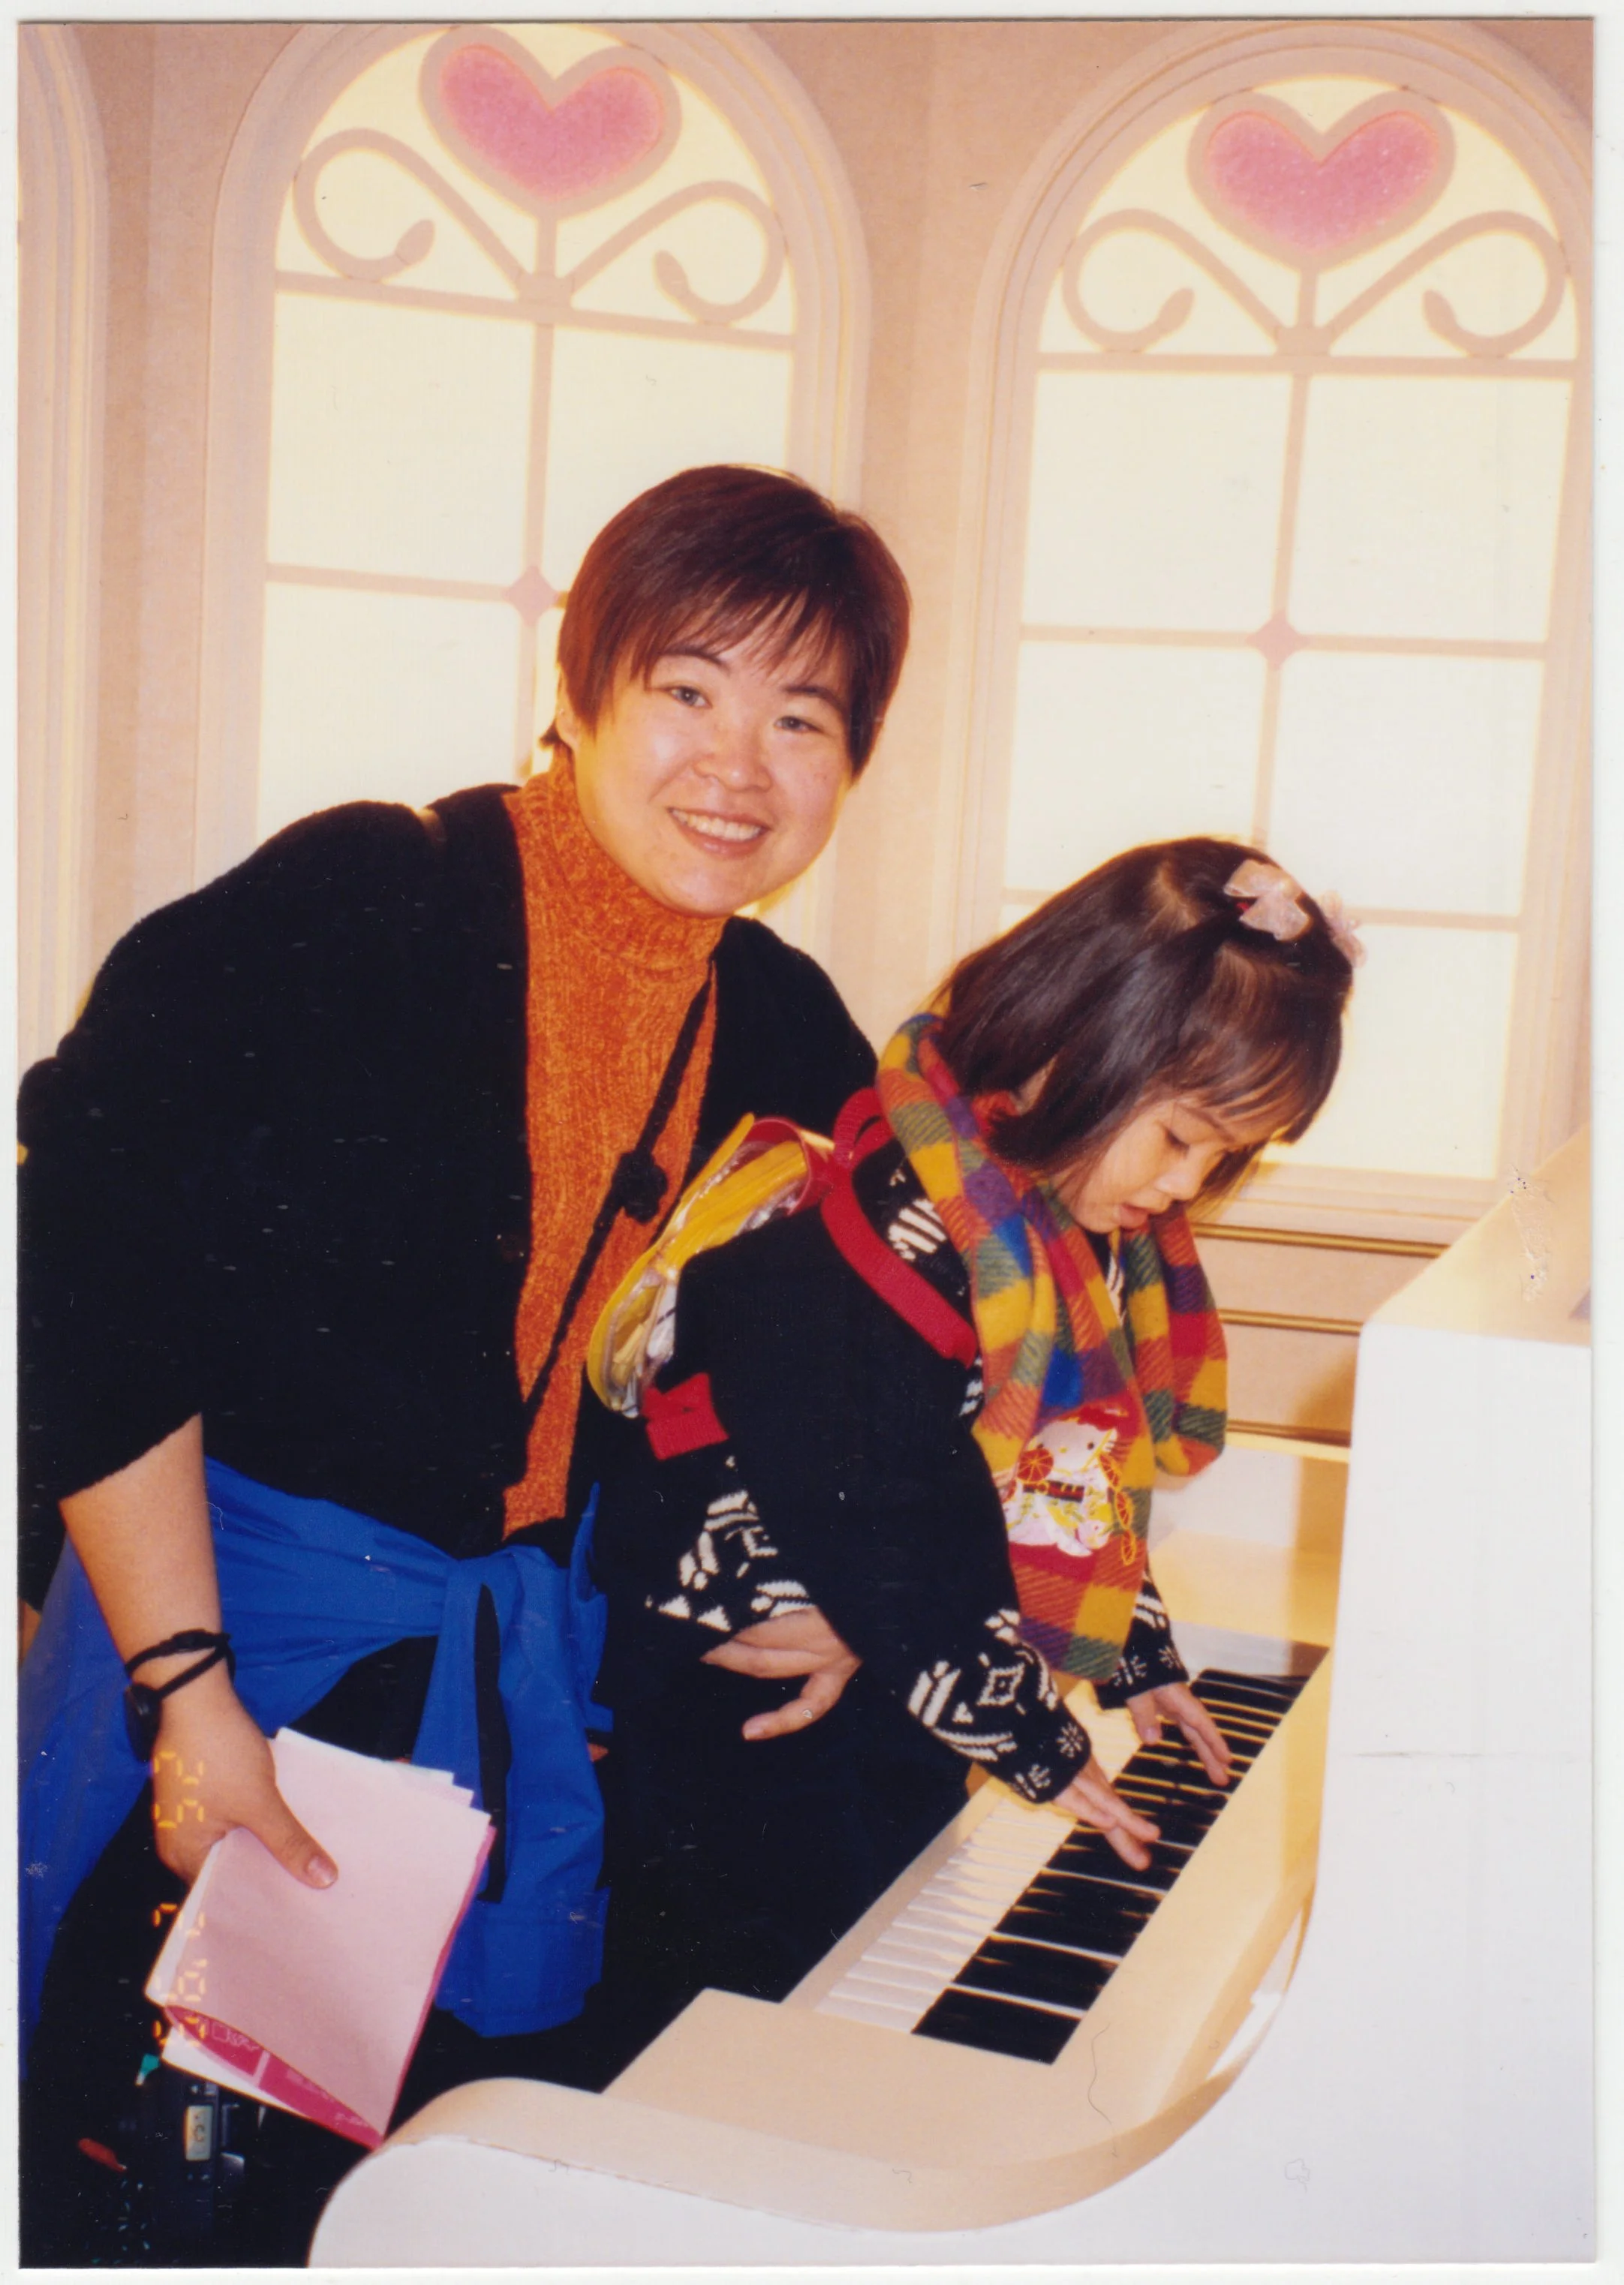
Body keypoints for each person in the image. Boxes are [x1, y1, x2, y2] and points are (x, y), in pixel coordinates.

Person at [17, 463, 910, 2263]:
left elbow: (852, 1373)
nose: (738, 763)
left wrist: (852, 1584)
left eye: (800, 715)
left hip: (506, 1696)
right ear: (575, 694)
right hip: (224, 1645)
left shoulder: (796, 1027)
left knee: (407, 2193)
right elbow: (82, 1260)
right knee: (143, 2181)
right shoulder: (366, 892)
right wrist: (186, 1701)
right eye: (687, 688)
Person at [579, 840, 1359, 2062]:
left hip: (892, 1653)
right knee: (748, 2029)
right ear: (1069, 1051)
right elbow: (888, 1525)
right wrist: (1045, 1749)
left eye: (1229, 1156)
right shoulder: (908, 1227)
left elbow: (1053, 1474)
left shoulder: (1034, 1217)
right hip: (749, 1698)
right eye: (1181, 1138)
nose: (1190, 1185)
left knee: (862, 1970)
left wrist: (1135, 1657)